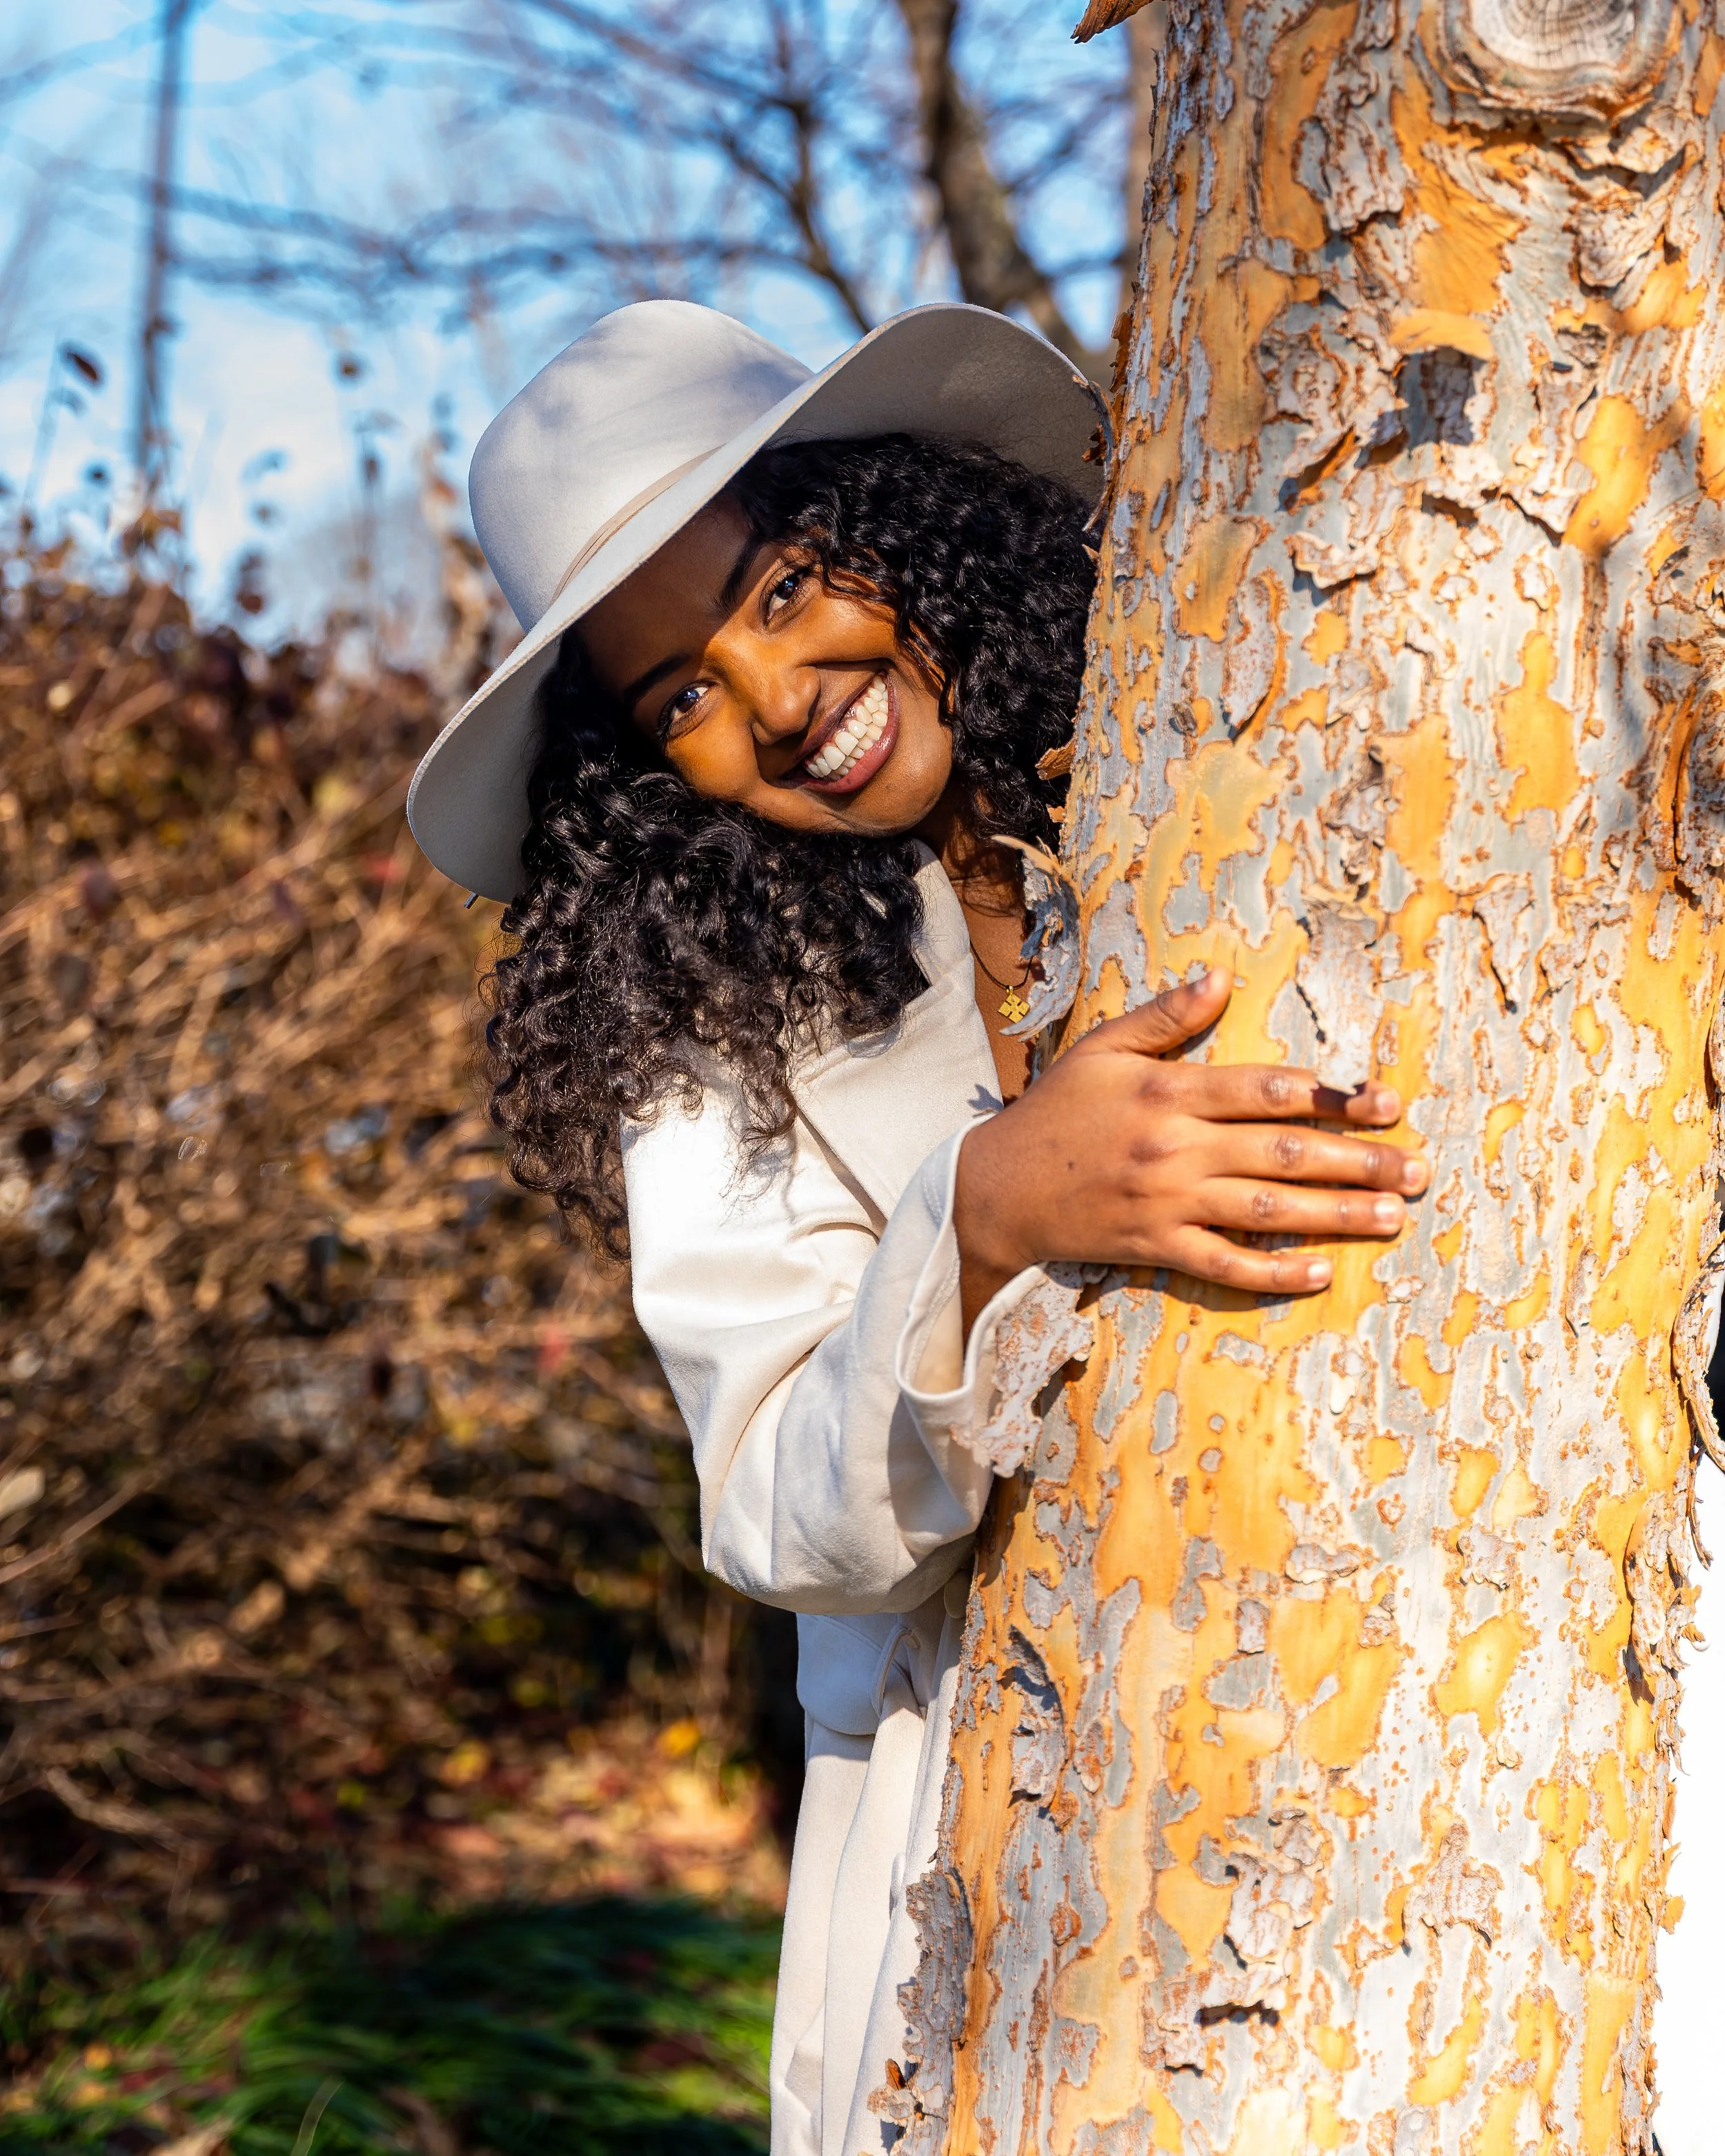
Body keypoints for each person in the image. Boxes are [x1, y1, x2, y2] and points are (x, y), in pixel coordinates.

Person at [407, 299, 1428, 2156]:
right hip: (1015, 1812)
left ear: (903, 516)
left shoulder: (1245, 751)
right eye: (683, 697)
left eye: (786, 583)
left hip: (1438, 1677)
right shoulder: (721, 1039)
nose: (779, 693)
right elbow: (771, 1503)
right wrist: (972, 1221)